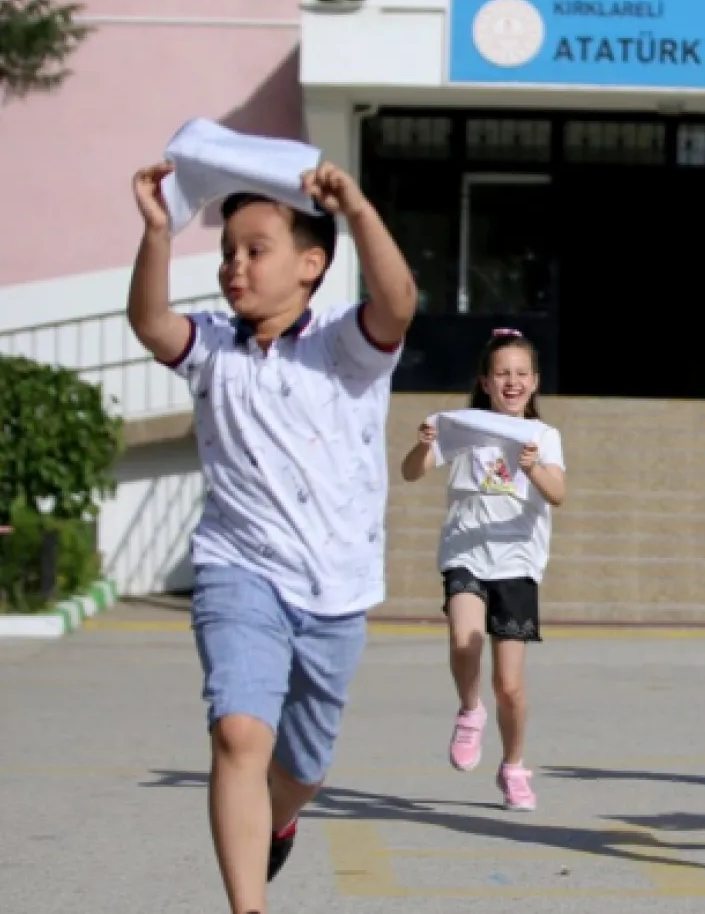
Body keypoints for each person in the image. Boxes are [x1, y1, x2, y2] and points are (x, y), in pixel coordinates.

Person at [126, 158, 416, 914]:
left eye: (256, 250)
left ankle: (282, 817)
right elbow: (152, 324)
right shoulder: (214, 346)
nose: (235, 266)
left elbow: (401, 301)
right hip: (237, 569)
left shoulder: (346, 347)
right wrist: (158, 232)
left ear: (311, 265)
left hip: (336, 587)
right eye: (228, 252)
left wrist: (357, 207)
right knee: (237, 735)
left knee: (303, 768)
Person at [398, 329, 567, 812]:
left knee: (510, 686)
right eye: (501, 375)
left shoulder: (543, 436)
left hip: (516, 561)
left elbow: (558, 493)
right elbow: (413, 471)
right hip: (466, 550)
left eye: (520, 374)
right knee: (462, 637)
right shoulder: (464, 427)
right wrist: (422, 444)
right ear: (485, 382)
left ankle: (513, 765)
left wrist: (533, 468)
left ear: (534, 382)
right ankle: (469, 711)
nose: (511, 382)